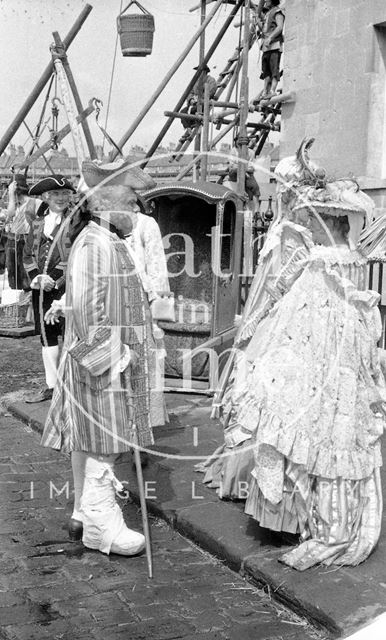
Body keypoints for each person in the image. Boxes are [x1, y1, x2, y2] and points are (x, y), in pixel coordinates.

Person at [240, 175, 385, 569]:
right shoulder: (353, 260)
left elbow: (286, 298)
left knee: (304, 421)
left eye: (326, 219)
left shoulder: (319, 260)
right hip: (339, 353)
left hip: (316, 350)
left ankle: (301, 518)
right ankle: (313, 515)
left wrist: (260, 327)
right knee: (326, 424)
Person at [41, 161, 157, 556]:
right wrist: (117, 356)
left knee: (105, 441)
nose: (137, 208)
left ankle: (95, 522)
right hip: (100, 365)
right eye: (131, 200)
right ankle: (101, 524)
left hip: (109, 362)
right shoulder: (94, 244)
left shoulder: (109, 240)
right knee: (101, 443)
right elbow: (90, 313)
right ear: (108, 202)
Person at [23, 175, 75, 403]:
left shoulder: (75, 222)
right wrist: (36, 278)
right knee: (46, 334)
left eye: (65, 194)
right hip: (41, 289)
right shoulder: (37, 224)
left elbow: (73, 254)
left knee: (71, 332)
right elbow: (27, 254)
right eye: (56, 194)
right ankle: (51, 385)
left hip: (65, 288)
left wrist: (53, 279)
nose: (61, 198)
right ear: (46, 197)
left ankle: (73, 386)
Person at [125, 198, 170, 427]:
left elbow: (156, 264)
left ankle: (147, 419)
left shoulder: (145, 223)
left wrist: (157, 309)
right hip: (118, 299)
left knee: (145, 360)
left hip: (143, 298)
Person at [4, 174, 41, 291]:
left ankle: (27, 299)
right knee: (12, 274)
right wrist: (11, 198)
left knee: (26, 275)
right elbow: (10, 214)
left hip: (27, 240)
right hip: (12, 240)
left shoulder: (36, 202)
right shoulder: (14, 204)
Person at [253, 0, 284, 100]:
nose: (265, 1)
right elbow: (265, 29)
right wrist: (258, 23)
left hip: (274, 44)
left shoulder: (278, 12)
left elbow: (279, 27)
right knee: (266, 70)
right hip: (266, 46)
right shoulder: (267, 14)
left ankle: (272, 90)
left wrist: (270, 38)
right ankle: (265, 91)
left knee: (274, 68)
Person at [180, 65, 217, 138]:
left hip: (204, 104)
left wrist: (199, 99)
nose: (198, 73)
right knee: (183, 112)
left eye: (200, 71)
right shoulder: (196, 82)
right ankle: (188, 128)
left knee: (193, 111)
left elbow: (211, 92)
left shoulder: (211, 80)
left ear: (205, 71)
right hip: (194, 104)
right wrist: (191, 99)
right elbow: (191, 92)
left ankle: (192, 125)